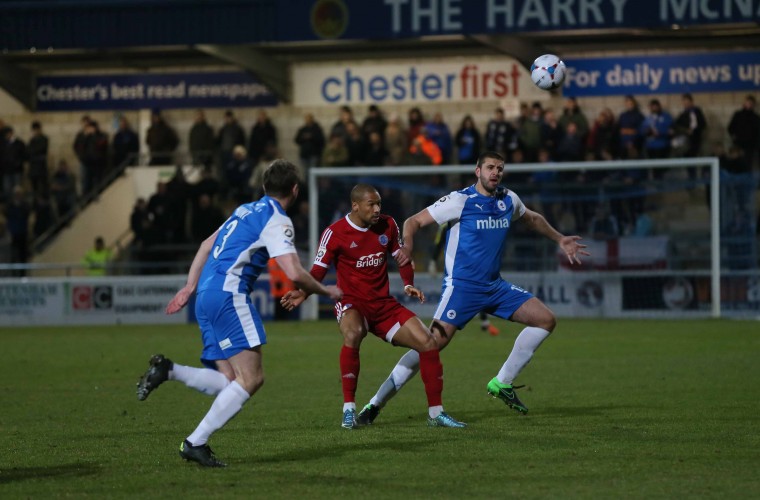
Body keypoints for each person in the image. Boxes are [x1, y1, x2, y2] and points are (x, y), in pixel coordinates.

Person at [355, 151, 589, 425]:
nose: (495, 172)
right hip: (462, 289)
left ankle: (502, 382)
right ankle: (374, 405)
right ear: (477, 171)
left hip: (495, 287)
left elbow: (532, 218)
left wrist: (560, 239)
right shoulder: (460, 200)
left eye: (500, 168)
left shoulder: (508, 199)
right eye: (490, 167)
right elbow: (413, 221)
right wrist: (407, 245)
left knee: (545, 319)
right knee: (428, 345)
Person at [135, 159, 342, 468]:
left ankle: (170, 370)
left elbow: (206, 245)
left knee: (230, 379)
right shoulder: (277, 219)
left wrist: (189, 286)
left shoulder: (244, 209)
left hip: (205, 293)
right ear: (295, 190)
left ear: (263, 187)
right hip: (229, 294)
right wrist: (327, 291)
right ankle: (195, 442)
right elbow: (293, 271)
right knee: (252, 377)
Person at [281, 184, 466, 429]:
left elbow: (401, 257)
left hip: (383, 304)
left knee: (429, 342)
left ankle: (436, 413)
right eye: (372, 204)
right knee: (354, 333)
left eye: (379, 203)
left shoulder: (388, 225)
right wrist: (303, 293)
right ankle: (349, 410)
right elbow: (318, 269)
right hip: (352, 303)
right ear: (355, 205)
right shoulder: (335, 233)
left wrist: (408, 282)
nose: (377, 209)